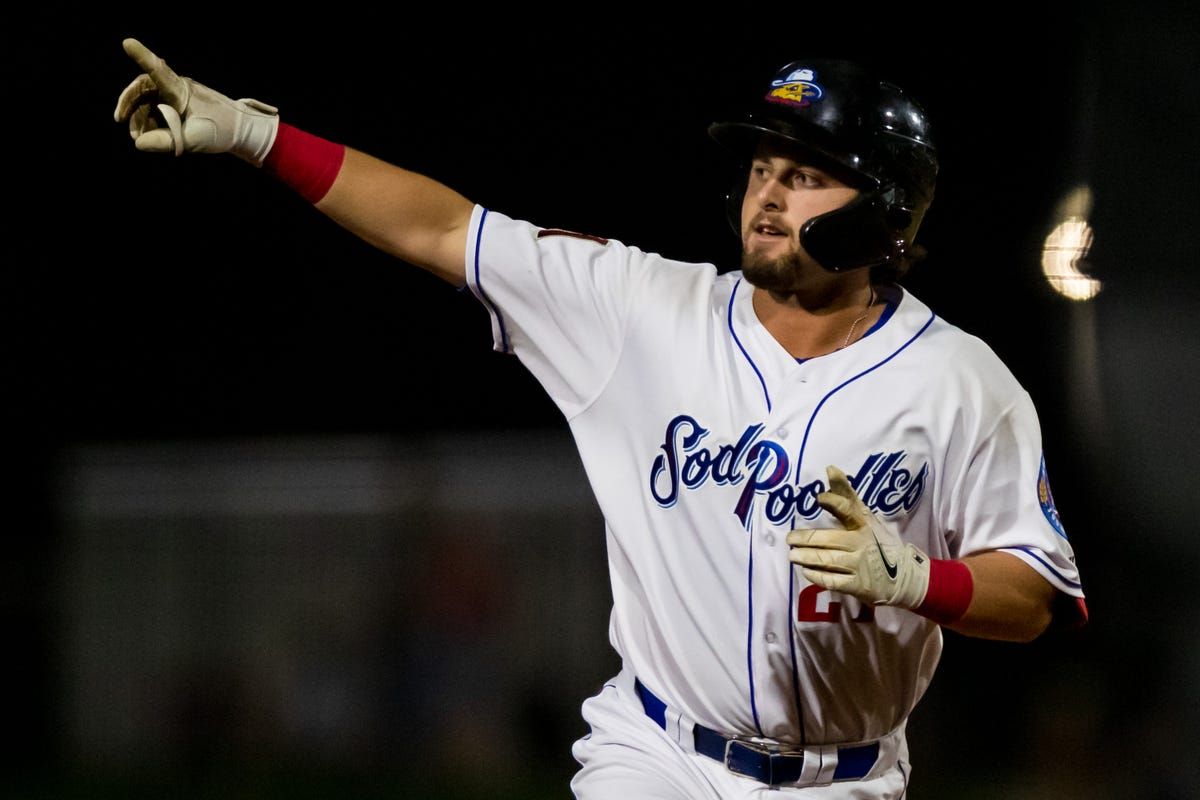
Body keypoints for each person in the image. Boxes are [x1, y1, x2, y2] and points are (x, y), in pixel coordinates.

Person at [114, 40, 1087, 798]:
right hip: (653, 750)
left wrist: (919, 576)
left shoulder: (964, 382)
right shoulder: (639, 308)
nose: (765, 192)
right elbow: (446, 227)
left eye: (804, 174)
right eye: (760, 168)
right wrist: (254, 135)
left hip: (852, 773)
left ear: (883, 211)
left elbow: (1032, 593)